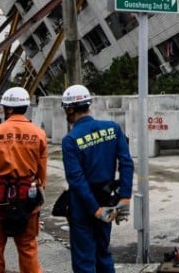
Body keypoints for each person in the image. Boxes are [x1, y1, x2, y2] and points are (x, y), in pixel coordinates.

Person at [60, 84, 134, 273]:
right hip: (107, 198)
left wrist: (95, 209)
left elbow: (76, 180)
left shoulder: (70, 140)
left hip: (83, 204)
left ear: (69, 109)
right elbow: (126, 163)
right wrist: (124, 198)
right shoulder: (112, 128)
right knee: (103, 253)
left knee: (84, 259)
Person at [0, 86, 49, 273]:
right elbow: (41, 174)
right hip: (27, 199)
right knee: (27, 247)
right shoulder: (39, 134)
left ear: (8, 108)